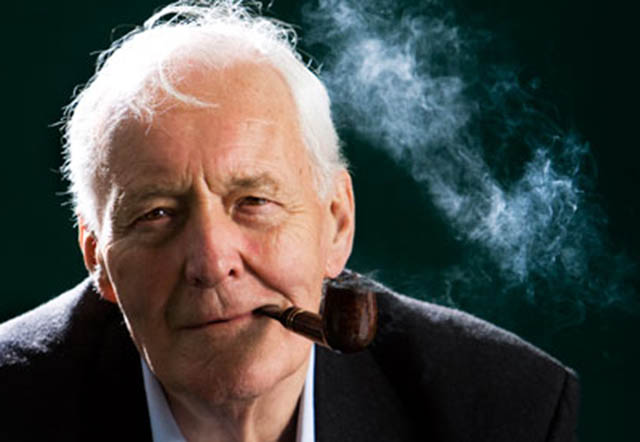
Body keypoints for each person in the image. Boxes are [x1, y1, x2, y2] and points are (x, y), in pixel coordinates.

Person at [0, 1, 579, 441]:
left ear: (337, 222)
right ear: (98, 259)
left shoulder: (502, 409)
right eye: (156, 214)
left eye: (253, 202)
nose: (211, 262)